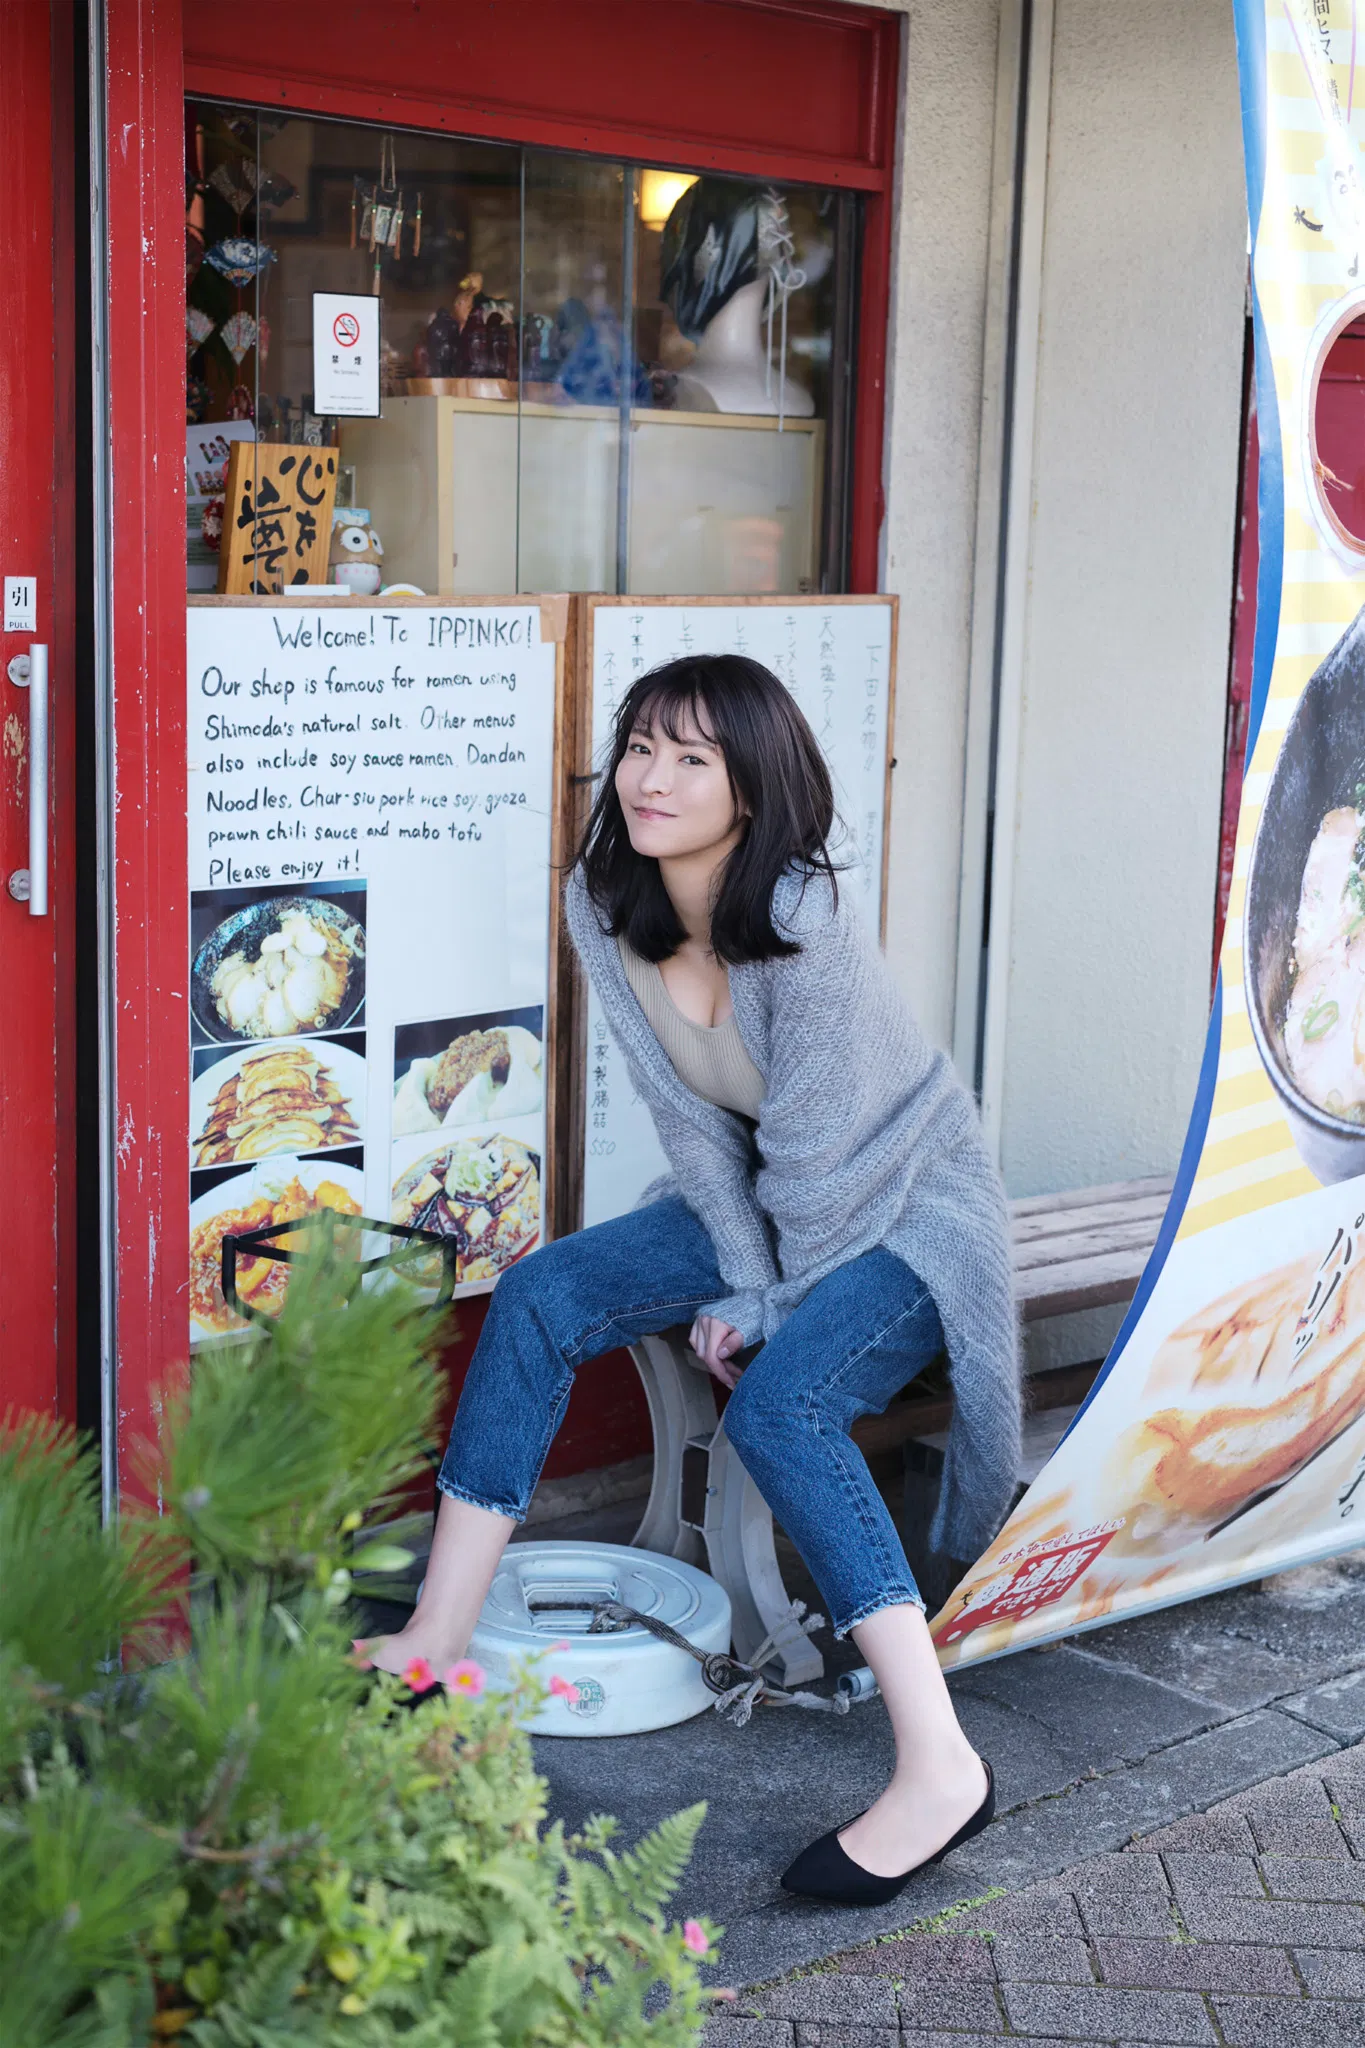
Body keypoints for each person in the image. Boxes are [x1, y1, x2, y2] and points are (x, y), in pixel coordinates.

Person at [361, 654, 1021, 1905]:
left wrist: (762, 1305)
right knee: (541, 1295)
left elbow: (828, 1175)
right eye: (640, 746)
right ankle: (438, 1638)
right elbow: (689, 1124)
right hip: (760, 1194)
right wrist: (737, 1269)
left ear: (754, 787)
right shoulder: (601, 903)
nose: (651, 778)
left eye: (693, 758)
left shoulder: (805, 926)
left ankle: (941, 1761)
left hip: (903, 1206)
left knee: (781, 1404)